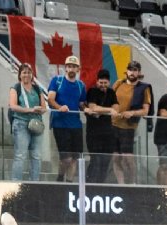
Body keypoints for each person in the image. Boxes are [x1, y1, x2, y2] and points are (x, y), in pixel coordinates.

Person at [47, 55, 87, 183]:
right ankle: (60, 179)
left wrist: (86, 109)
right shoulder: (57, 81)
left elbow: (81, 104)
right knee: (66, 159)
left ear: (78, 69)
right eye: (69, 66)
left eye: (74, 67)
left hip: (76, 125)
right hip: (60, 124)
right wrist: (60, 107)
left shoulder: (81, 85)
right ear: (65, 68)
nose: (71, 69)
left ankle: (69, 183)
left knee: (75, 159)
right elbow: (50, 99)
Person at [110, 60, 151, 185]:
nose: (132, 72)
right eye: (130, 70)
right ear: (126, 71)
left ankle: (132, 182)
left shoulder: (143, 88)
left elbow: (145, 111)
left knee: (128, 157)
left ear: (139, 72)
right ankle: (121, 184)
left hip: (128, 126)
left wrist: (132, 113)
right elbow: (109, 100)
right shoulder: (118, 83)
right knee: (115, 157)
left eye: (135, 70)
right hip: (113, 124)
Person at [8, 62, 46, 182]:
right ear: (20, 75)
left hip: (36, 125)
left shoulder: (37, 89)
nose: (27, 75)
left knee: (36, 156)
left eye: (29, 72)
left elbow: (44, 108)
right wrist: (30, 110)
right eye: (24, 72)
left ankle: (34, 182)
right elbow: (13, 106)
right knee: (20, 155)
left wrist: (40, 110)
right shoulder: (16, 88)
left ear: (32, 75)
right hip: (21, 124)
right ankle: (16, 183)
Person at [84, 68, 117, 184]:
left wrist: (101, 110)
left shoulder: (111, 92)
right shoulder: (92, 91)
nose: (103, 85)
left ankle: (101, 184)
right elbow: (93, 107)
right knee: (95, 160)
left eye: (105, 83)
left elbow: (117, 108)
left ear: (109, 82)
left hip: (108, 133)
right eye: (101, 82)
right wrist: (109, 110)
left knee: (106, 161)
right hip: (94, 133)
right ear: (97, 81)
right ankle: (89, 184)